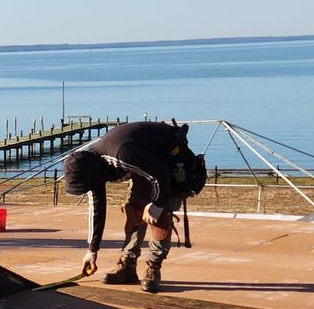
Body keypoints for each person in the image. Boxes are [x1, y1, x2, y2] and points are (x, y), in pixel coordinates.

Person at [62, 120, 206, 293]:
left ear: (92, 174)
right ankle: (128, 267)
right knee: (135, 212)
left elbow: (162, 173)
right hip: (145, 163)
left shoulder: (120, 154)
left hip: (168, 161)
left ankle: (153, 268)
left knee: (159, 218)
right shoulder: (93, 168)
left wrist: (158, 204)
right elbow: (97, 209)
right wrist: (92, 250)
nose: (88, 190)